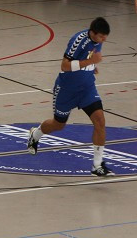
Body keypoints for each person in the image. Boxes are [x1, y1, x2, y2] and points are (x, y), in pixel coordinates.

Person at [26, 17, 114, 177]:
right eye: (101, 37)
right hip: (66, 89)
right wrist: (89, 62)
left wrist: (92, 66)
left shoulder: (98, 40)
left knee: (100, 121)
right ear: (92, 33)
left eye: (105, 37)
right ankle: (36, 134)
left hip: (87, 88)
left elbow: (90, 57)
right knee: (59, 125)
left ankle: (97, 165)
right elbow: (65, 66)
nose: (104, 40)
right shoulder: (78, 39)